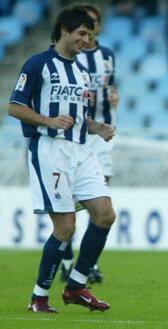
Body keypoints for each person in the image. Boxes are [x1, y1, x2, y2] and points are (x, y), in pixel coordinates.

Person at [8, 6, 116, 313]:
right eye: (82, 33)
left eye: (90, 35)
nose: (86, 40)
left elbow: (82, 117)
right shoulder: (38, 64)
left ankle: (76, 286)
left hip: (82, 151)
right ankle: (39, 296)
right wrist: (47, 120)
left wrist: (97, 127)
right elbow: (14, 107)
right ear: (64, 31)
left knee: (105, 214)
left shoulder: (81, 72)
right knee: (66, 226)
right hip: (50, 150)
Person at [59, 2, 119, 285]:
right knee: (72, 200)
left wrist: (112, 96)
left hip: (100, 137)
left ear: (99, 25)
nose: (91, 28)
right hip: (77, 136)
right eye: (86, 23)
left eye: (94, 22)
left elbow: (108, 86)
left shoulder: (107, 56)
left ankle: (87, 264)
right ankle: (67, 257)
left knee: (99, 194)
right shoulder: (73, 55)